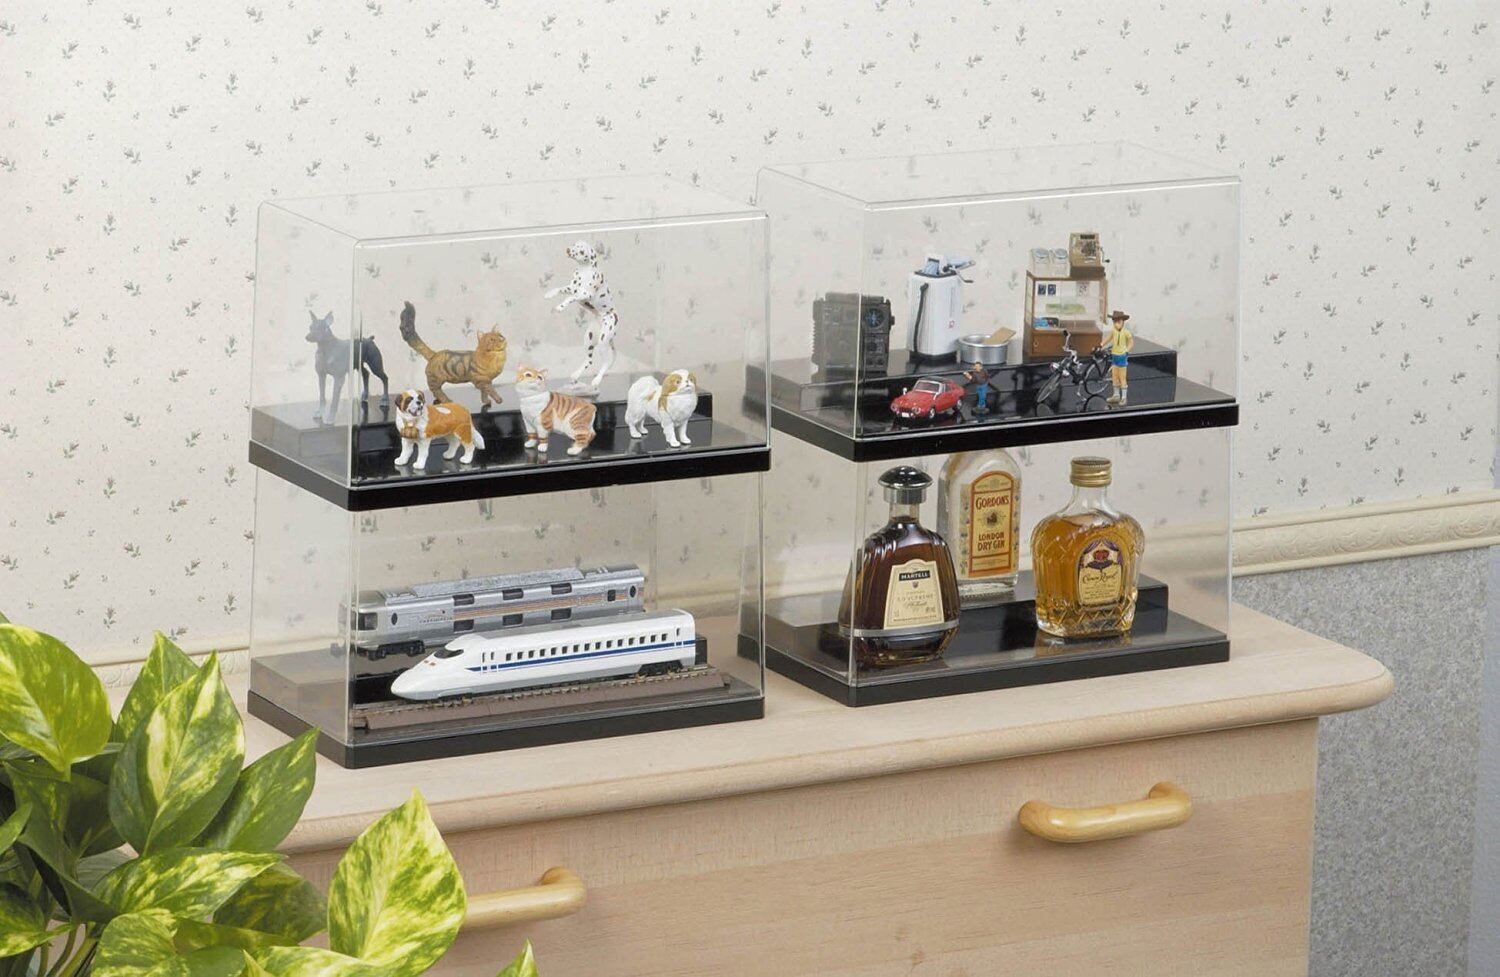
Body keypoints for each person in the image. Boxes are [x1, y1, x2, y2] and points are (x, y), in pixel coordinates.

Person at [1106, 310, 1134, 405]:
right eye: (1115, 322)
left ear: (1122, 322)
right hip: (1114, 356)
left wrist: (1126, 351)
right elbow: (1108, 339)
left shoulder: (1126, 332)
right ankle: (1116, 395)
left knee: (1122, 377)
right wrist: (1101, 345)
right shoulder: (1113, 331)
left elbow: (1131, 343)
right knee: (1114, 376)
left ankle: (1124, 397)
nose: (1116, 324)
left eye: (1118, 322)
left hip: (1122, 356)